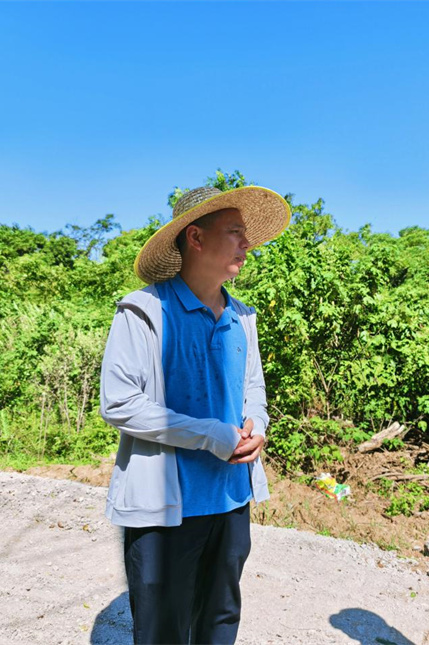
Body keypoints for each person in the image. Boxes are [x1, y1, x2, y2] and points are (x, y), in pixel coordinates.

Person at [99, 184, 290, 644]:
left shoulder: (243, 318)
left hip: (230, 502)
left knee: (219, 623)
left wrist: (257, 426)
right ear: (196, 238)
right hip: (165, 511)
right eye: (235, 232)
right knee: (163, 631)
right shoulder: (145, 311)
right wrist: (212, 436)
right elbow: (120, 402)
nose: (248, 244)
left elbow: (253, 390)